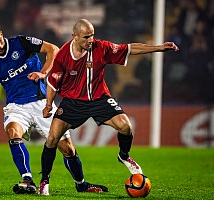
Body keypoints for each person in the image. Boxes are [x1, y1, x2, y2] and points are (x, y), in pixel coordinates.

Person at [0, 23, 108, 195]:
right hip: (16, 106)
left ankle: (81, 184)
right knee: (13, 132)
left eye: (0, 40)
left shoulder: (21, 42)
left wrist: (43, 73)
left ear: (2, 34)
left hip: (41, 103)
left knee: (67, 148)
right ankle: (27, 180)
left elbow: (53, 49)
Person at [39, 19, 179, 194]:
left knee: (126, 126)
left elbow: (129, 48)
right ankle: (44, 181)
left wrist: (158, 48)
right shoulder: (63, 55)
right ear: (74, 36)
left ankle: (124, 156)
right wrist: (48, 105)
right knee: (52, 138)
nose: (91, 40)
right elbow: (53, 83)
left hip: (99, 99)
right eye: (86, 37)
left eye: (92, 35)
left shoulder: (101, 48)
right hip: (73, 102)